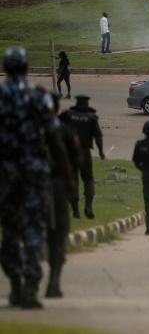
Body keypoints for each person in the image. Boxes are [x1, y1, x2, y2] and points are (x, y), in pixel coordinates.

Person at [0, 47, 58, 308]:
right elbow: (52, 132)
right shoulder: (38, 96)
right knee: (34, 228)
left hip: (6, 173)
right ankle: (31, 288)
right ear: (25, 68)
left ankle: (15, 284)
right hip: (34, 171)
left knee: (10, 230)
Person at [45, 94, 77, 299]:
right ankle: (53, 282)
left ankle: (21, 286)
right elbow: (73, 160)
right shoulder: (61, 130)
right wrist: (71, 185)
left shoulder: (23, 129)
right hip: (55, 186)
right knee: (57, 235)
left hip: (24, 187)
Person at [60, 94, 104, 219]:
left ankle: (75, 210)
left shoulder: (67, 115)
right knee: (88, 179)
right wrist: (101, 151)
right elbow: (98, 136)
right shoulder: (91, 117)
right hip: (84, 152)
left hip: (70, 153)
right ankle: (88, 206)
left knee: (73, 180)